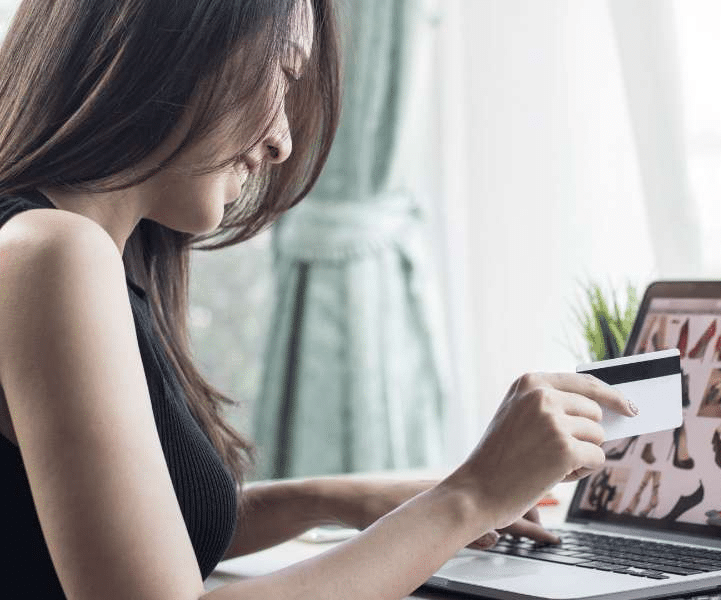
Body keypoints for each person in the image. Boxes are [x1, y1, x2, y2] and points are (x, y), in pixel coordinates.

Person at [0, 1, 637, 598]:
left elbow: (113, 544)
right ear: (180, 45)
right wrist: (469, 497)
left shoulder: (75, 254)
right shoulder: (51, 250)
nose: (281, 140)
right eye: (283, 73)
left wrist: (334, 496)